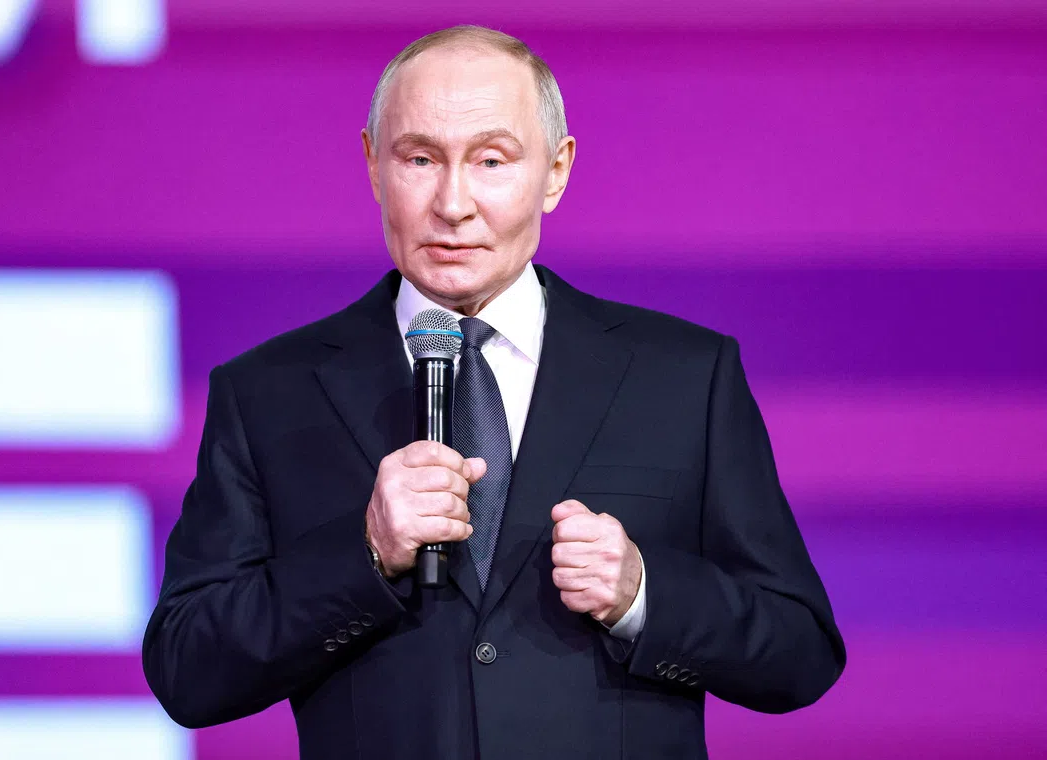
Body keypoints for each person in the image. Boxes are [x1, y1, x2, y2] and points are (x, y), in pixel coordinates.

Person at [142, 25, 845, 760]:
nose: (453, 203)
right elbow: (188, 669)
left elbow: (800, 651)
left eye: (491, 160)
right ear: (374, 166)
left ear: (556, 170)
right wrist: (365, 555)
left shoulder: (685, 376)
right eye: (420, 158)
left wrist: (643, 594)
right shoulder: (268, 392)